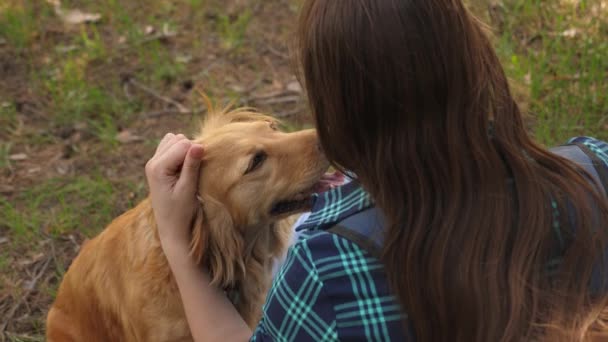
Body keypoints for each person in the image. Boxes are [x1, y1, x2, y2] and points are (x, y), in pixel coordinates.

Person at [144, 0, 608, 341]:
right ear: (478, 62)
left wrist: (178, 247)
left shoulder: (328, 264)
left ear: (337, 110)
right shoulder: (595, 171)